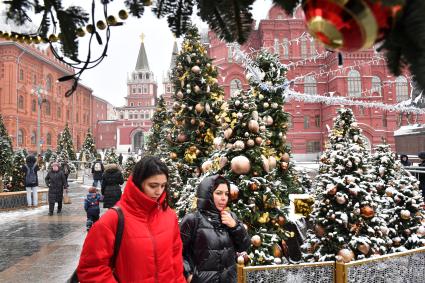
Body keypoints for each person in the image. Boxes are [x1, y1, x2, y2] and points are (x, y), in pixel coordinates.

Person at [77, 156, 185, 282]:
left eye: (163, 186)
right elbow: (92, 269)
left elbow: (176, 261)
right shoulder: (112, 220)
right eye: (153, 185)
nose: (159, 192)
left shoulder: (169, 216)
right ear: (138, 183)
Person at [180, 175, 250, 283]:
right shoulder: (192, 220)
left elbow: (244, 246)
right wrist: (189, 275)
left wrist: (235, 226)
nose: (224, 198)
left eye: (226, 194)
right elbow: (177, 252)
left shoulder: (231, 217)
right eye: (218, 193)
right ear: (207, 194)